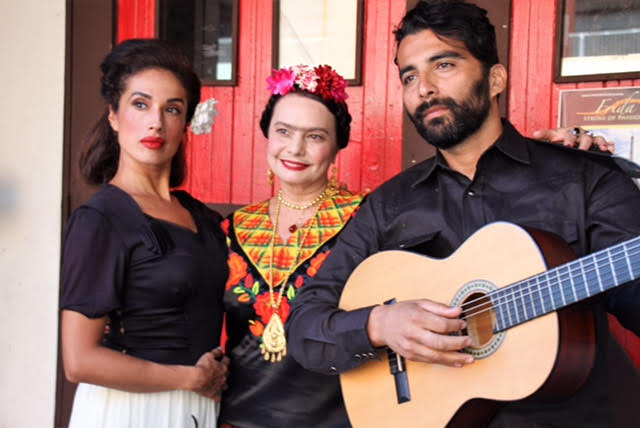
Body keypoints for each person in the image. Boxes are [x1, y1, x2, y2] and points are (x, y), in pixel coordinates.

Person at [287, 1, 640, 427]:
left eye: (445, 65)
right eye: (410, 75)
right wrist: (380, 324)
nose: (425, 88)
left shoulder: (585, 179)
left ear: (495, 79)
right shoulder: (388, 205)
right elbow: (305, 326)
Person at [60, 39, 229, 428]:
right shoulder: (100, 219)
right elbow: (79, 360)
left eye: (172, 109)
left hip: (199, 407)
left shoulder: (201, 219)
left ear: (185, 123)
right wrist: (189, 378)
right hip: (131, 410)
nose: (156, 122)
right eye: (140, 104)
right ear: (114, 116)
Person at [217, 64, 363, 427]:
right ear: (267, 134)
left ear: (336, 145)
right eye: (283, 131)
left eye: (315, 136)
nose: (295, 149)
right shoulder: (231, 228)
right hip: (239, 418)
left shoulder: (365, 222)